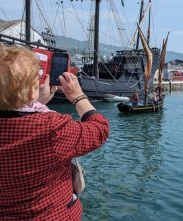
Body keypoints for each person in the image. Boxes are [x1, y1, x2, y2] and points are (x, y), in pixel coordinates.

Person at [0, 45, 110, 220]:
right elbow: (100, 129)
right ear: (31, 91)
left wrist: (37, 102)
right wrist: (77, 96)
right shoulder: (51, 128)